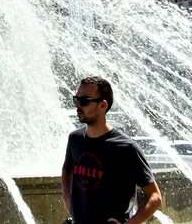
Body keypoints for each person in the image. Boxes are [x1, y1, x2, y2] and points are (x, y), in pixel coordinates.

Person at [61, 76, 163, 224]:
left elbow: (155, 196)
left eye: (84, 101)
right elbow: (66, 169)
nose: (78, 106)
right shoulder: (75, 139)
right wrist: (67, 199)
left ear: (102, 105)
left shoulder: (126, 148)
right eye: (76, 100)